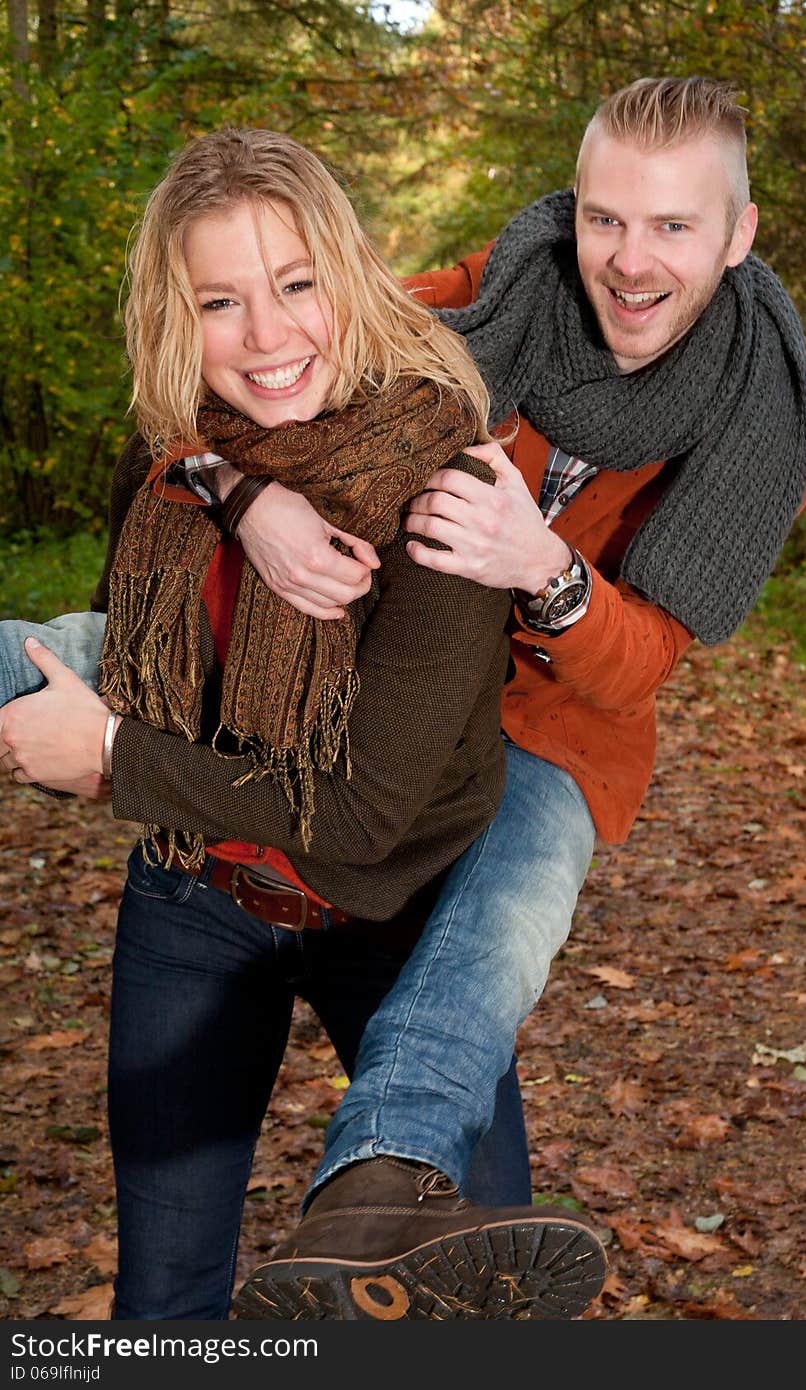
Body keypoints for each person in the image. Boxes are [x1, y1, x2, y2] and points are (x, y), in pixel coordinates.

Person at [151, 77, 806, 1312]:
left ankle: (378, 1186)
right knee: (89, 649)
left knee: (512, 901)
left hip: (550, 729)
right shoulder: (488, 294)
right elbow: (246, 372)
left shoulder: (770, 424)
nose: (629, 262)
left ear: (735, 236)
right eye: (605, 218)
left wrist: (546, 571)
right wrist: (251, 501)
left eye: (673, 227)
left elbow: (646, 660)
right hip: (368, 659)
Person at [0, 127, 608, 1322]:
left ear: (348, 274)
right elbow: (155, 617)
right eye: (219, 301)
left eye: (294, 284)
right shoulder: (174, 457)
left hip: (392, 912)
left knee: (469, 1304)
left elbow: (366, 811)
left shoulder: (449, 487)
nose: (267, 337)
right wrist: (239, 493)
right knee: (166, 1301)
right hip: (194, 901)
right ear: (178, 317)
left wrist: (114, 756)